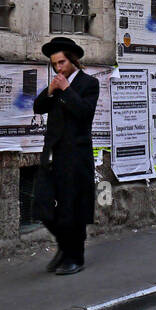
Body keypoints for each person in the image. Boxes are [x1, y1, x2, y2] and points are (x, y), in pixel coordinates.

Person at [33, 37, 99, 275]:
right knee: (42, 204)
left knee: (73, 207)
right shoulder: (56, 84)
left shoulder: (88, 83)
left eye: (61, 62)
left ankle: (75, 257)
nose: (58, 68)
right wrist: (50, 91)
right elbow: (38, 107)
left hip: (76, 155)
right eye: (54, 64)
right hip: (53, 155)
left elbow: (84, 113)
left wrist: (66, 89)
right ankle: (63, 245)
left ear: (73, 60)